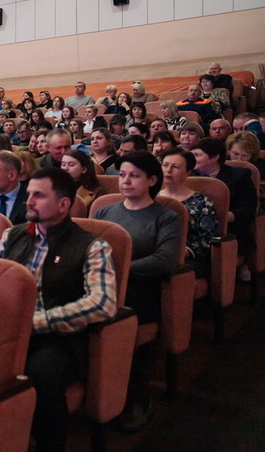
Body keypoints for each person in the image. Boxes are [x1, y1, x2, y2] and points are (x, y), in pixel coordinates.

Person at [0, 167, 116, 452]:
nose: (28, 201)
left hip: (57, 338)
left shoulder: (92, 246)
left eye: (39, 196)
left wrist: (37, 322)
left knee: (42, 373)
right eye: (29, 194)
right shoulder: (12, 235)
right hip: (8, 331)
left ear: (63, 204)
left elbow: (101, 303)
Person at [92, 153, 182, 430]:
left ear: (152, 180)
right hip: (100, 286)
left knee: (121, 317)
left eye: (134, 176)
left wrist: (118, 270)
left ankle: (136, 397)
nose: (126, 181)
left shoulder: (166, 217)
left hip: (140, 289)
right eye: (122, 175)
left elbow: (164, 261)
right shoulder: (104, 211)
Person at [190, 138, 257, 278]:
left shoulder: (240, 176)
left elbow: (247, 210)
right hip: (194, 231)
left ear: (215, 157)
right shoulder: (189, 176)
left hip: (230, 228)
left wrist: (222, 216)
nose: (193, 159)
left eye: (197, 155)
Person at [159, 150, 219, 278]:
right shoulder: (149, 198)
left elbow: (207, 239)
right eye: (165, 165)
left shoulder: (201, 202)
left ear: (187, 173)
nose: (168, 170)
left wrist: (181, 252)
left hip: (188, 257)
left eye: (175, 167)